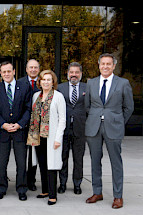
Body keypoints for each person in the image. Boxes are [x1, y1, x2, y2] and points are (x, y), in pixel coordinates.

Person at [85, 53, 134, 209]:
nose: (105, 66)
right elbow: (88, 106)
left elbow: (129, 107)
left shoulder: (123, 83)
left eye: (108, 64)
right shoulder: (91, 83)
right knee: (94, 161)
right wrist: (95, 117)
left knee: (116, 162)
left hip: (114, 128)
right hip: (94, 127)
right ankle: (97, 192)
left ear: (114, 66)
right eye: (102, 64)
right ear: (99, 65)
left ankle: (118, 196)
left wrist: (118, 121)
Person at [0, 61, 32, 201]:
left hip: (19, 131)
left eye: (9, 71)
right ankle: (1, 188)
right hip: (3, 132)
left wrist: (20, 124)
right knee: (2, 162)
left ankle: (22, 189)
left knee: (21, 163)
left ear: (14, 71)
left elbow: (28, 108)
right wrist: (2, 124)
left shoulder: (25, 86)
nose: (6, 74)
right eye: (4, 72)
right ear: (1, 74)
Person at [27, 70, 66, 205]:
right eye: (43, 79)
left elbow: (62, 119)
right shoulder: (36, 96)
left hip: (51, 137)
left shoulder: (58, 96)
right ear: (40, 82)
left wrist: (58, 139)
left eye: (49, 79)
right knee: (42, 164)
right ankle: (45, 190)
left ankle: (52, 195)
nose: (46, 82)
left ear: (53, 82)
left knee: (52, 165)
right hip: (37, 136)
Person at [57, 62, 86, 195]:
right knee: (63, 157)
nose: (74, 75)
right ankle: (62, 183)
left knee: (78, 158)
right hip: (64, 128)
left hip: (80, 128)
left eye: (77, 72)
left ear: (80, 74)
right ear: (67, 73)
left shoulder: (87, 88)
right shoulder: (60, 88)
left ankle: (77, 184)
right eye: (71, 72)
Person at [18, 59, 41, 191]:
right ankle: (21, 180)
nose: (33, 70)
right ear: (26, 69)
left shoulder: (43, 82)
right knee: (22, 155)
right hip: (22, 123)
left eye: (35, 67)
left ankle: (31, 181)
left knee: (33, 155)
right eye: (30, 67)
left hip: (37, 125)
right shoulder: (20, 83)